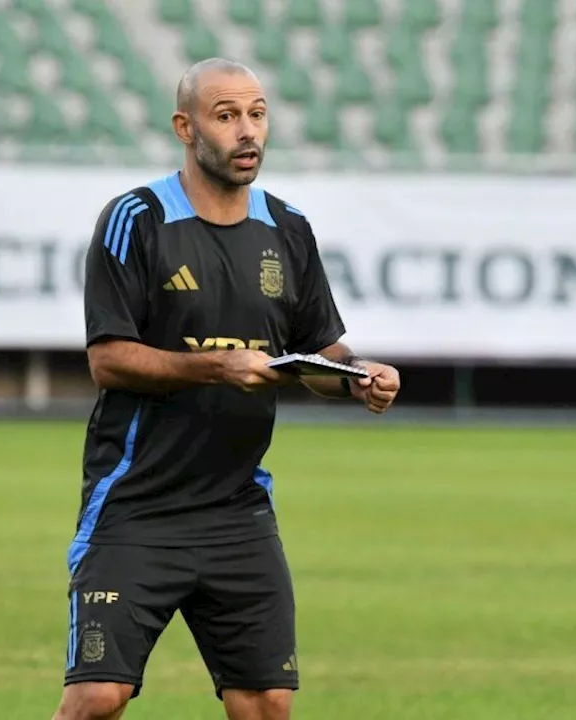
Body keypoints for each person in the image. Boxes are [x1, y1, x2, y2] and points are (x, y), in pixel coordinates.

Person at [53, 59, 401, 720]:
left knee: (267, 702)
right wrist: (217, 366)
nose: (248, 131)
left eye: (258, 114)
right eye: (227, 115)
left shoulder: (287, 228)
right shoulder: (138, 218)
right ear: (186, 127)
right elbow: (109, 359)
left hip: (235, 511)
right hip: (136, 507)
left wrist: (360, 377)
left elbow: (314, 350)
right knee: (97, 698)